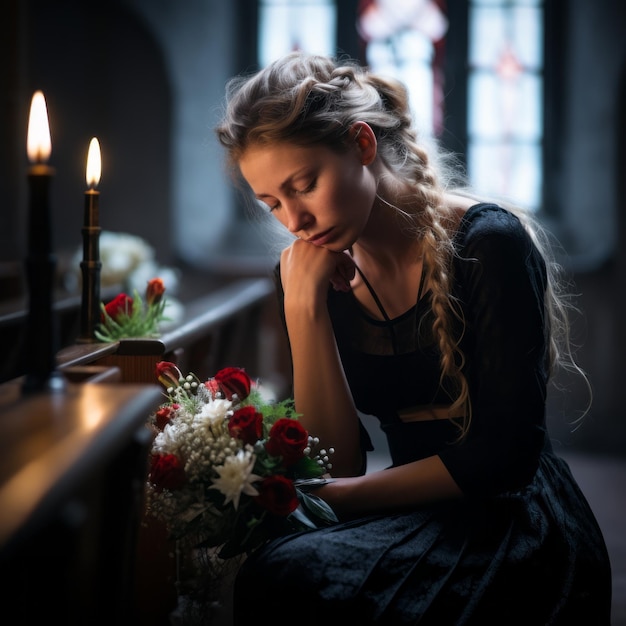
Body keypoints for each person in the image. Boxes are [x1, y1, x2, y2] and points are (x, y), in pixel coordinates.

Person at [215, 51, 612, 625]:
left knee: (294, 576)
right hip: (403, 505)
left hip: (513, 518)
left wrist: (331, 500)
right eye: (272, 203)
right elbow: (338, 461)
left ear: (362, 144)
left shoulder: (487, 242)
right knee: (275, 572)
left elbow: (505, 460)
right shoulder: (311, 269)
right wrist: (305, 310)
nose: (294, 220)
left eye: (304, 185)